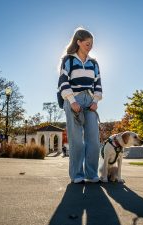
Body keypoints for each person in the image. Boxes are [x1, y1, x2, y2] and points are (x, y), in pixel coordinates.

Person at [58, 28, 102, 183]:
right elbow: (63, 82)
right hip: (73, 100)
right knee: (76, 140)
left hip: (90, 102)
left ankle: (91, 174)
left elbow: (98, 84)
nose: (90, 46)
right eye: (87, 43)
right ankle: (77, 175)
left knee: (94, 141)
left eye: (91, 44)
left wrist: (95, 102)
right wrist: (72, 101)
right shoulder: (68, 60)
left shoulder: (94, 63)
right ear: (78, 42)